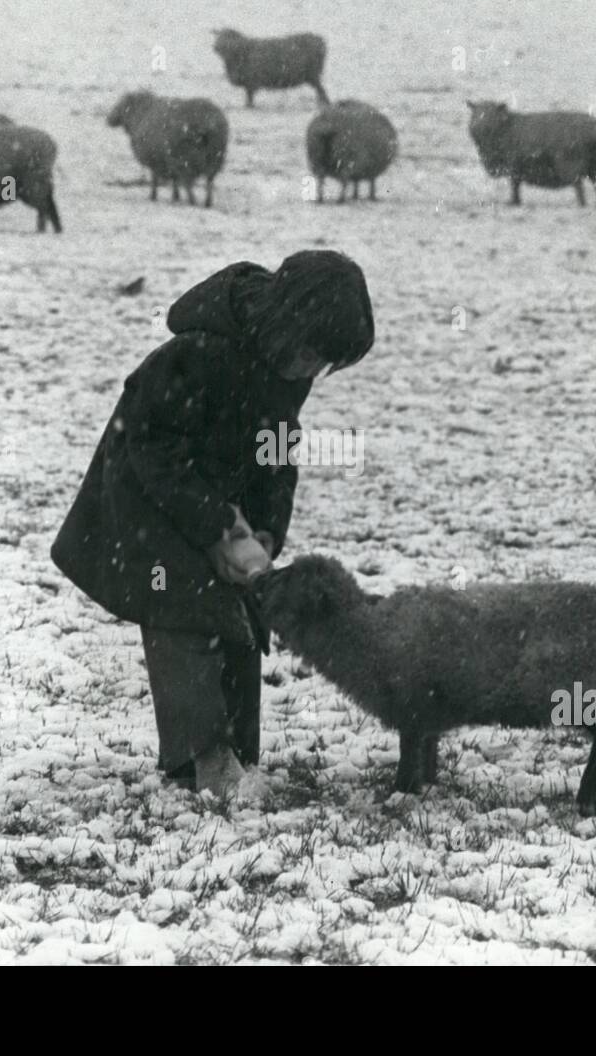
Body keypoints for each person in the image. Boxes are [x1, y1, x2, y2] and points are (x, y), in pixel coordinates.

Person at [51, 251, 375, 796]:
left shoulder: (284, 363)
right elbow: (149, 441)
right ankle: (206, 758)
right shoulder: (197, 353)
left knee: (244, 610)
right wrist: (215, 521)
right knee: (184, 610)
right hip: (146, 497)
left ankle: (232, 753)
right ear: (285, 321)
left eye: (321, 364)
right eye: (309, 355)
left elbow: (277, 448)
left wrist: (266, 527)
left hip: (220, 498)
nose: (309, 372)